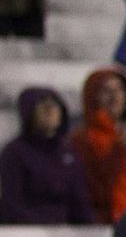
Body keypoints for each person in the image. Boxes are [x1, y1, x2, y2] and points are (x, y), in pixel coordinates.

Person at [0, 87, 92, 224]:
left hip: (66, 232)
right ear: (29, 112)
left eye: (54, 105)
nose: (50, 111)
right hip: (25, 233)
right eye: (42, 105)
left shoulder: (68, 152)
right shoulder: (14, 152)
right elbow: (12, 204)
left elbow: (79, 202)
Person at [71, 64, 126, 225]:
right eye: (106, 91)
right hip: (102, 223)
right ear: (93, 96)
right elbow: (98, 186)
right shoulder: (82, 140)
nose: (115, 96)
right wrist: (122, 146)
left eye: (119, 89)